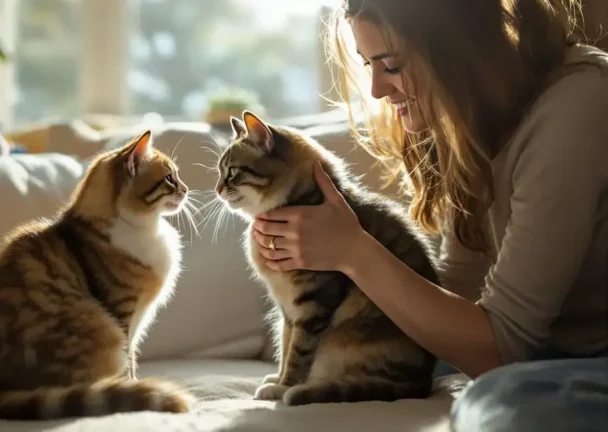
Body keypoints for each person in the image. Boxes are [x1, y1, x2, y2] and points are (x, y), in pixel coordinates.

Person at [251, 0, 608, 430]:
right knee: (378, 362)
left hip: (589, 358)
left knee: (501, 403)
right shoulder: (469, 121)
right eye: (369, 65)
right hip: (545, 355)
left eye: (392, 65)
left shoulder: (577, 105)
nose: (378, 91)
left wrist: (353, 251)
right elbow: (458, 297)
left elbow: (499, 349)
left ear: (458, 50)